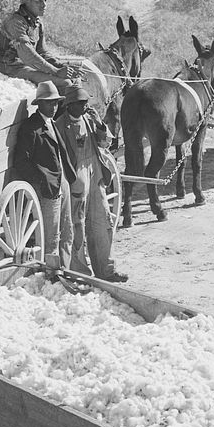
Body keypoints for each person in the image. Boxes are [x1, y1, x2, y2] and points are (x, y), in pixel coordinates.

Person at [55, 85, 129, 283]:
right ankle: (80, 272)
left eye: (86, 102)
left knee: (102, 221)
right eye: (81, 103)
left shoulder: (89, 120)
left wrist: (99, 124)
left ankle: (106, 270)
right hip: (76, 178)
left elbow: (106, 143)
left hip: (95, 173)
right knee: (76, 226)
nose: (85, 106)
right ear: (69, 105)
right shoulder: (60, 125)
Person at [12, 81, 76, 268]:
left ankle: (65, 268)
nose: (53, 107)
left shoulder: (51, 123)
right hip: (48, 188)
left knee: (67, 230)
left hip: (61, 182)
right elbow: (21, 162)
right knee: (50, 236)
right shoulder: (31, 128)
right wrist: (41, 180)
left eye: (56, 103)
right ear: (39, 104)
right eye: (49, 103)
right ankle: (50, 272)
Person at [0, 0, 83, 92]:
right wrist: (55, 71)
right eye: (38, 1)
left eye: (45, 0)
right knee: (65, 83)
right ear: (26, 3)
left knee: (75, 79)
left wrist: (62, 66)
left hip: (28, 66)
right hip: (11, 67)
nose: (44, 5)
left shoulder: (37, 23)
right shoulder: (15, 22)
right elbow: (27, 54)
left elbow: (42, 52)